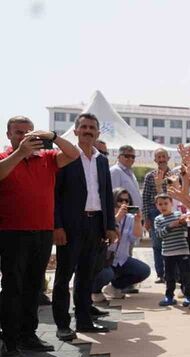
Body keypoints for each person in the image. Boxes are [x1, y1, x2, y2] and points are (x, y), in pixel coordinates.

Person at [0, 117, 80, 357]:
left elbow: (73, 154)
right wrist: (19, 153)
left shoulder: (46, 158)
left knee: (34, 286)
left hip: (42, 232)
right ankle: (10, 339)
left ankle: (28, 335)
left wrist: (53, 137)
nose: (23, 136)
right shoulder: (5, 158)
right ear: (8, 135)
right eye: (18, 132)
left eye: (28, 132)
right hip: (12, 232)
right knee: (13, 286)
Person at [52, 113, 117, 341]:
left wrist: (110, 225)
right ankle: (62, 325)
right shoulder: (65, 157)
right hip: (70, 226)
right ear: (76, 131)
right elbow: (55, 196)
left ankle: (84, 320)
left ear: (98, 133)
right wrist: (57, 225)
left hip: (95, 224)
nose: (88, 130)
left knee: (86, 276)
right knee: (63, 276)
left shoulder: (102, 160)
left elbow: (107, 195)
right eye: (84, 127)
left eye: (92, 127)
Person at [92, 188, 150, 300]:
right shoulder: (104, 216)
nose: (123, 203)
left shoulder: (130, 218)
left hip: (121, 259)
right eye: (120, 200)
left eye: (126, 201)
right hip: (103, 259)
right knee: (107, 274)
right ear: (113, 201)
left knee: (144, 270)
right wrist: (117, 217)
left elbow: (136, 236)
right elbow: (102, 235)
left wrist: (138, 221)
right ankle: (94, 291)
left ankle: (115, 287)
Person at [142, 148, 177, 283]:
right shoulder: (149, 176)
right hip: (154, 213)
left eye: (163, 156)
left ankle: (173, 274)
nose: (161, 159)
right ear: (155, 160)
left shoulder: (174, 175)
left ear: (168, 158)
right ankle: (160, 274)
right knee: (157, 245)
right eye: (159, 157)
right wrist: (146, 218)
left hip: (171, 212)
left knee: (172, 244)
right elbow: (145, 198)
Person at [153, 193, 190, 306]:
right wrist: (170, 226)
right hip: (168, 252)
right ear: (156, 206)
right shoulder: (158, 219)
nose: (163, 206)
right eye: (160, 204)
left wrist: (183, 222)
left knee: (186, 275)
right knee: (169, 276)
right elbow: (159, 235)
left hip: (183, 250)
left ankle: (188, 296)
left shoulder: (179, 215)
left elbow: (187, 229)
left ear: (171, 204)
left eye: (166, 203)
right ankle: (169, 296)